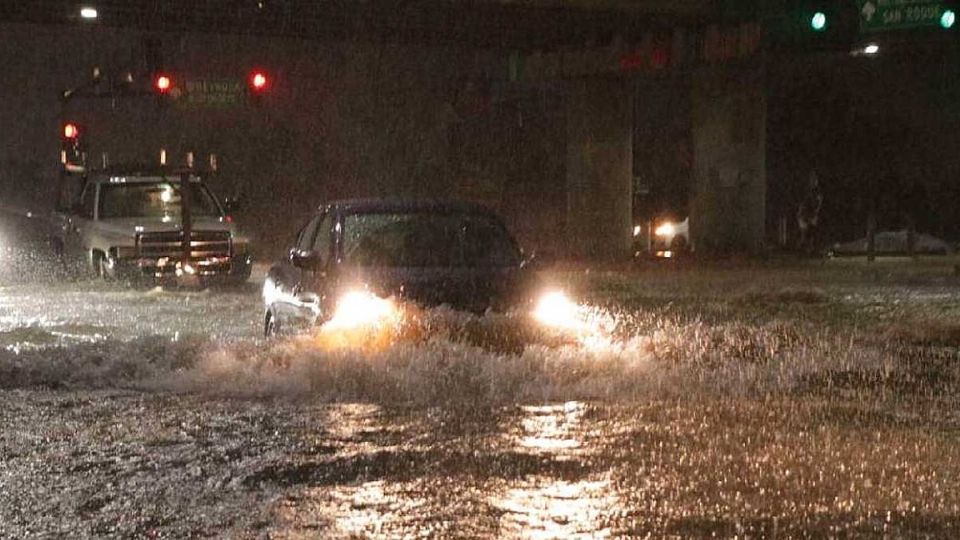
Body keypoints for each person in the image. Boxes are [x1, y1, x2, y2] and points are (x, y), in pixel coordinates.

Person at [797, 171, 823, 254]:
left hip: (812, 213)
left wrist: (815, 212)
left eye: (814, 179)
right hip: (805, 213)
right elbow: (802, 202)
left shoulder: (817, 191)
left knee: (811, 231)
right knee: (804, 232)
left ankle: (810, 248)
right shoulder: (806, 191)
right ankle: (804, 247)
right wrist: (801, 212)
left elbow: (819, 202)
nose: (813, 181)